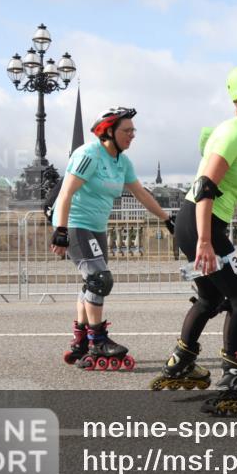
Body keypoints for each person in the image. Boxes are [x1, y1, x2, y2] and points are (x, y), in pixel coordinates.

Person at [151, 64, 237, 407]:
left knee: (212, 299)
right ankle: (234, 378)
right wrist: (205, 242)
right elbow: (204, 187)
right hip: (200, 224)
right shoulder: (231, 133)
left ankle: (181, 363)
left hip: (203, 226)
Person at [50, 107, 175, 370]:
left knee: (91, 282)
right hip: (75, 224)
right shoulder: (88, 154)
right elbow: (65, 194)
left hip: (97, 227)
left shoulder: (122, 162)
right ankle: (97, 341)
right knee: (99, 279)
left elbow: (141, 194)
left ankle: (80, 340)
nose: (132, 135)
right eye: (126, 131)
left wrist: (166, 219)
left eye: (133, 131)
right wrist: (61, 231)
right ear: (108, 132)